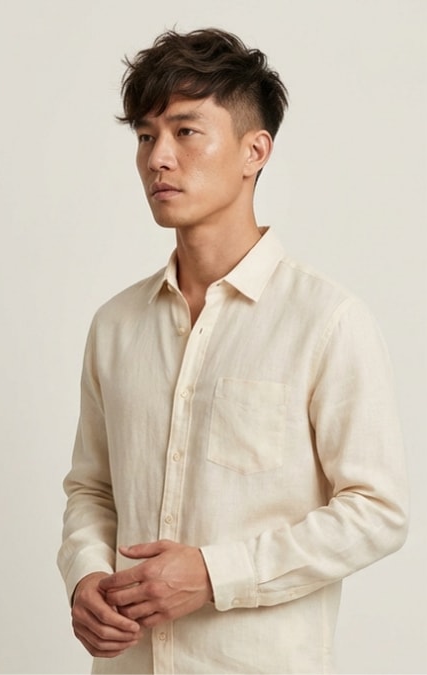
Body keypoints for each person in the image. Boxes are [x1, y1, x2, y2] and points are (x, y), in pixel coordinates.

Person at [57, 28, 408, 675]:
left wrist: (216, 574)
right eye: (145, 136)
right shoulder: (115, 325)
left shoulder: (325, 321)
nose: (158, 158)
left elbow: (377, 511)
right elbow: (92, 487)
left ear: (255, 150)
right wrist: (85, 574)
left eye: (185, 131)